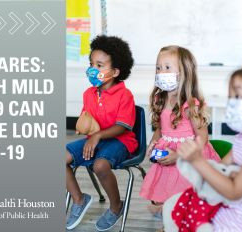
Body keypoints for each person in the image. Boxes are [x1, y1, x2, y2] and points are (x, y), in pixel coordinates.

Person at [139, 46, 221, 223]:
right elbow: (162, 127)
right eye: (158, 68)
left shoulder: (191, 104)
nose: (161, 72)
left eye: (168, 67)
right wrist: (153, 142)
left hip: (189, 156)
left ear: (184, 72)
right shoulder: (160, 98)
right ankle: (166, 214)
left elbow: (202, 138)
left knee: (184, 193)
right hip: (167, 150)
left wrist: (180, 156)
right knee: (165, 189)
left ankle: (177, 217)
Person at [66, 35, 137, 231]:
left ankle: (116, 207)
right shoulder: (89, 93)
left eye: (99, 65)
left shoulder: (125, 95)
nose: (92, 69)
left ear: (115, 71)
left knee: (100, 165)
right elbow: (87, 120)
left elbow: (122, 127)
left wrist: (96, 136)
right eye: (91, 64)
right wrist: (84, 127)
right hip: (95, 141)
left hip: (120, 141)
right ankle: (79, 200)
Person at [176, 66, 242, 231]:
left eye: (238, 96)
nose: (232, 104)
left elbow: (234, 191)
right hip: (225, 215)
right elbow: (221, 168)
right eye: (230, 98)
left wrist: (197, 160)